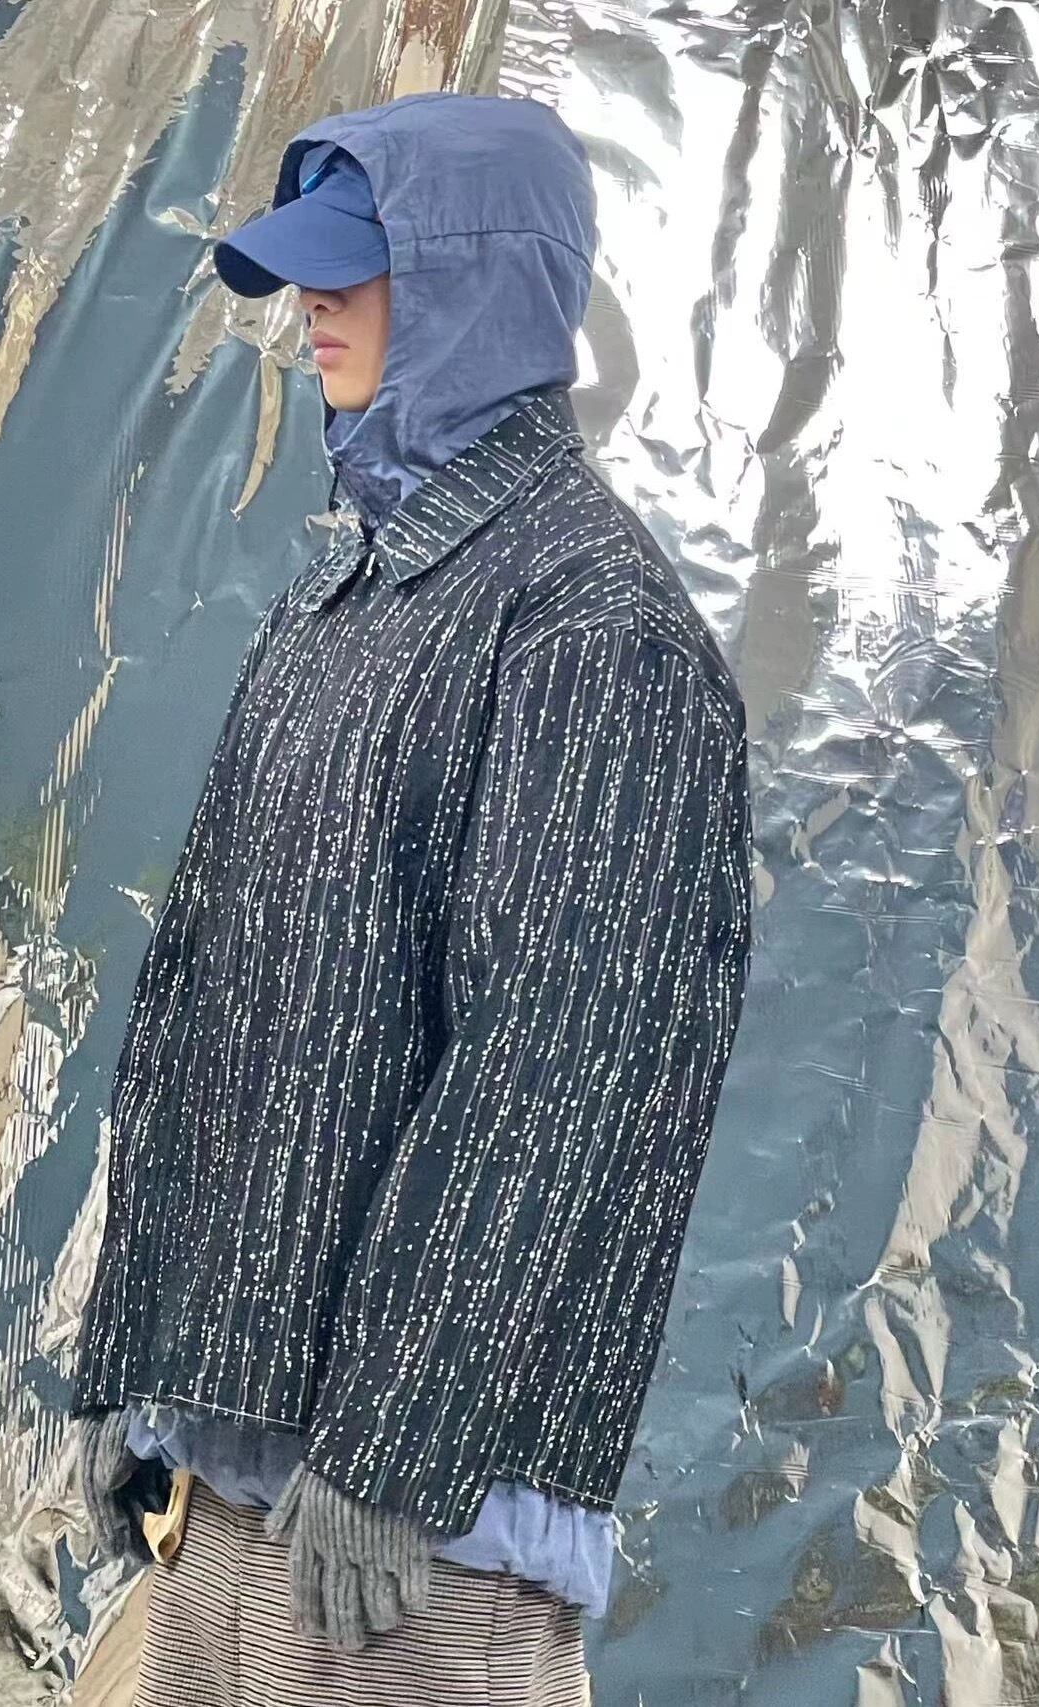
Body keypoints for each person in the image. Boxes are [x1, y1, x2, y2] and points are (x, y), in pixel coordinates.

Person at [70, 90, 753, 1707]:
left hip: (411, 1554)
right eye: (306, 266)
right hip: (231, 1502)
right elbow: (211, 1002)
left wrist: (400, 1445)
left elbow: (559, 1071)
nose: (314, 300)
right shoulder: (341, 601)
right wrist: (139, 1369)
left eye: (358, 264)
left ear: (481, 286)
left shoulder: (594, 631)